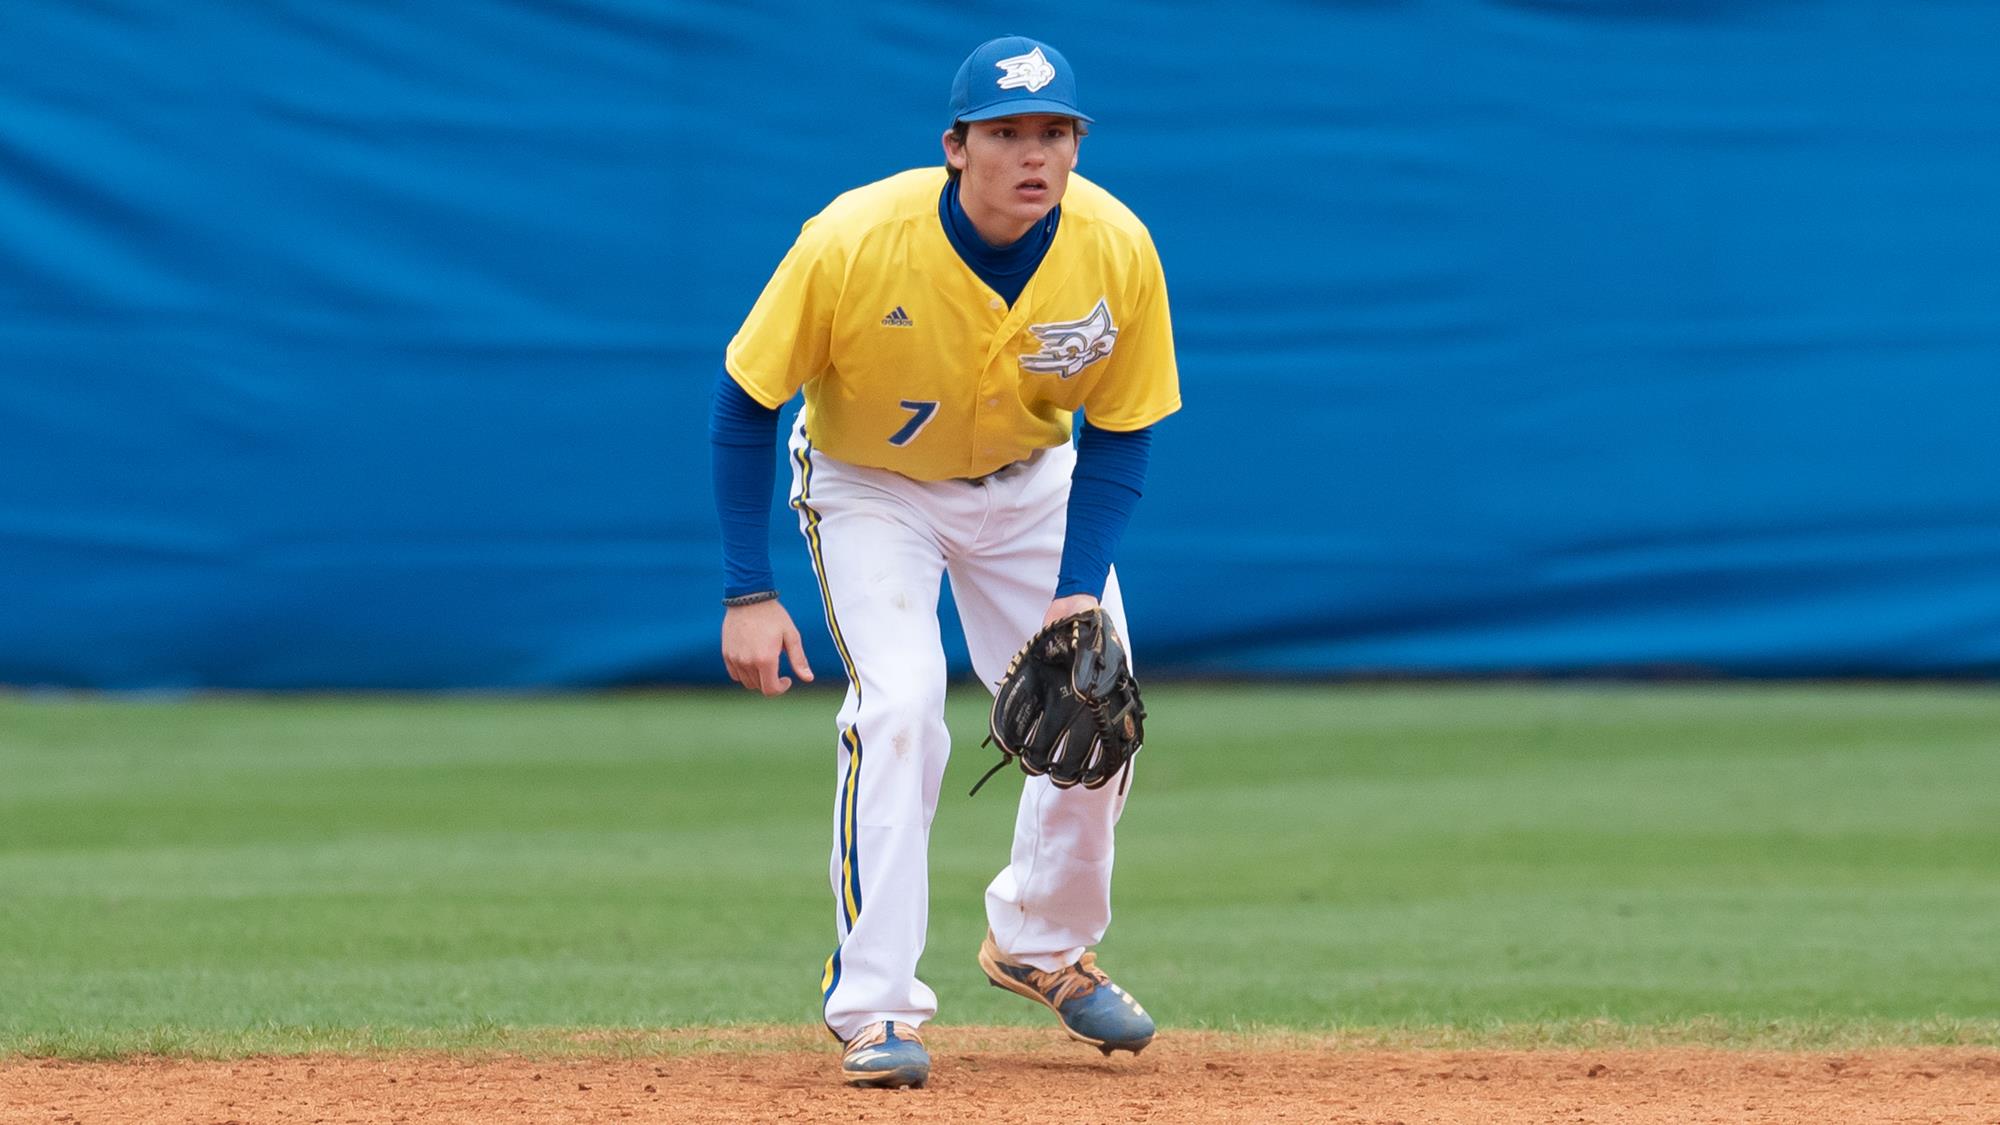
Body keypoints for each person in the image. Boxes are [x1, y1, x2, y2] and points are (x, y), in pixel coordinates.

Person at [710, 34, 1181, 1089]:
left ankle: (1040, 942)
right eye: (1006, 133)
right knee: (901, 708)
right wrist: (748, 588)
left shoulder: (1114, 246)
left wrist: (1076, 586)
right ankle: (874, 1009)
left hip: (1030, 485)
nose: (1033, 154)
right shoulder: (853, 239)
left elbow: (1122, 428)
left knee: (1093, 701)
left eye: (1053, 132)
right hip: (869, 486)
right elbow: (746, 400)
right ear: (954, 147)